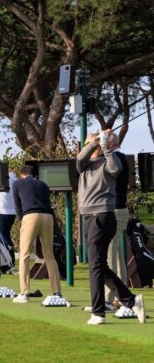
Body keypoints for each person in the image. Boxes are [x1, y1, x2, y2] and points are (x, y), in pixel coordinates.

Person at [77, 130, 144, 324]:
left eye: (90, 142)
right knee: (98, 265)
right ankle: (131, 300)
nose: (88, 144)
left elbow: (115, 169)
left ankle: (98, 312)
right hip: (89, 217)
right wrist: (92, 143)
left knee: (96, 266)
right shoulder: (85, 164)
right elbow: (80, 158)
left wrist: (105, 146)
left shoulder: (111, 160)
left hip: (104, 215)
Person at [12, 165, 61, 303]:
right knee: (49, 255)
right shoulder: (44, 185)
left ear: (22, 174)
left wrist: (23, 220)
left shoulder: (18, 183)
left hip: (31, 216)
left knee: (25, 254)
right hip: (47, 217)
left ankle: (24, 293)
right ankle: (57, 292)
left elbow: (18, 205)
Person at [106, 147, 133, 307]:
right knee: (117, 254)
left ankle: (109, 299)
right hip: (120, 209)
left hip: (114, 211)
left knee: (109, 256)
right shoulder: (121, 157)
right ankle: (123, 295)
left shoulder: (113, 159)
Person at [0, 169, 17, 261]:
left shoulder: (3, 178)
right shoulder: (15, 180)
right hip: (12, 212)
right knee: (6, 236)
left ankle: (9, 261)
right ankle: (8, 260)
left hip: (3, 212)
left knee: (3, 238)